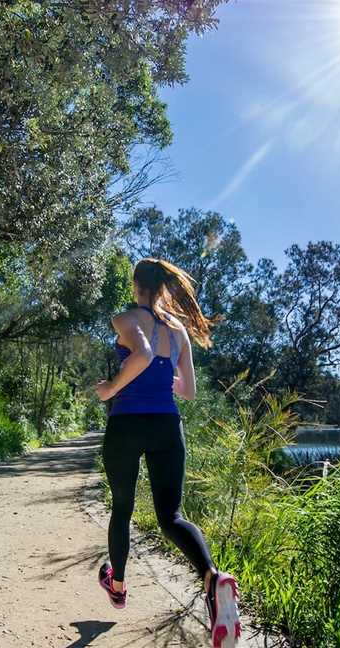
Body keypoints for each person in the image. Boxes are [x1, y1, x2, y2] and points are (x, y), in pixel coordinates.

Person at [94, 258, 241, 648]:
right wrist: (166, 377)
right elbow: (188, 391)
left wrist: (110, 388)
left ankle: (119, 585)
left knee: (122, 507)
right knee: (171, 516)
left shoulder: (125, 318)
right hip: (167, 426)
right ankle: (213, 576)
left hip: (127, 424)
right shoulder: (178, 330)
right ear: (162, 287)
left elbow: (140, 355)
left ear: (135, 285)